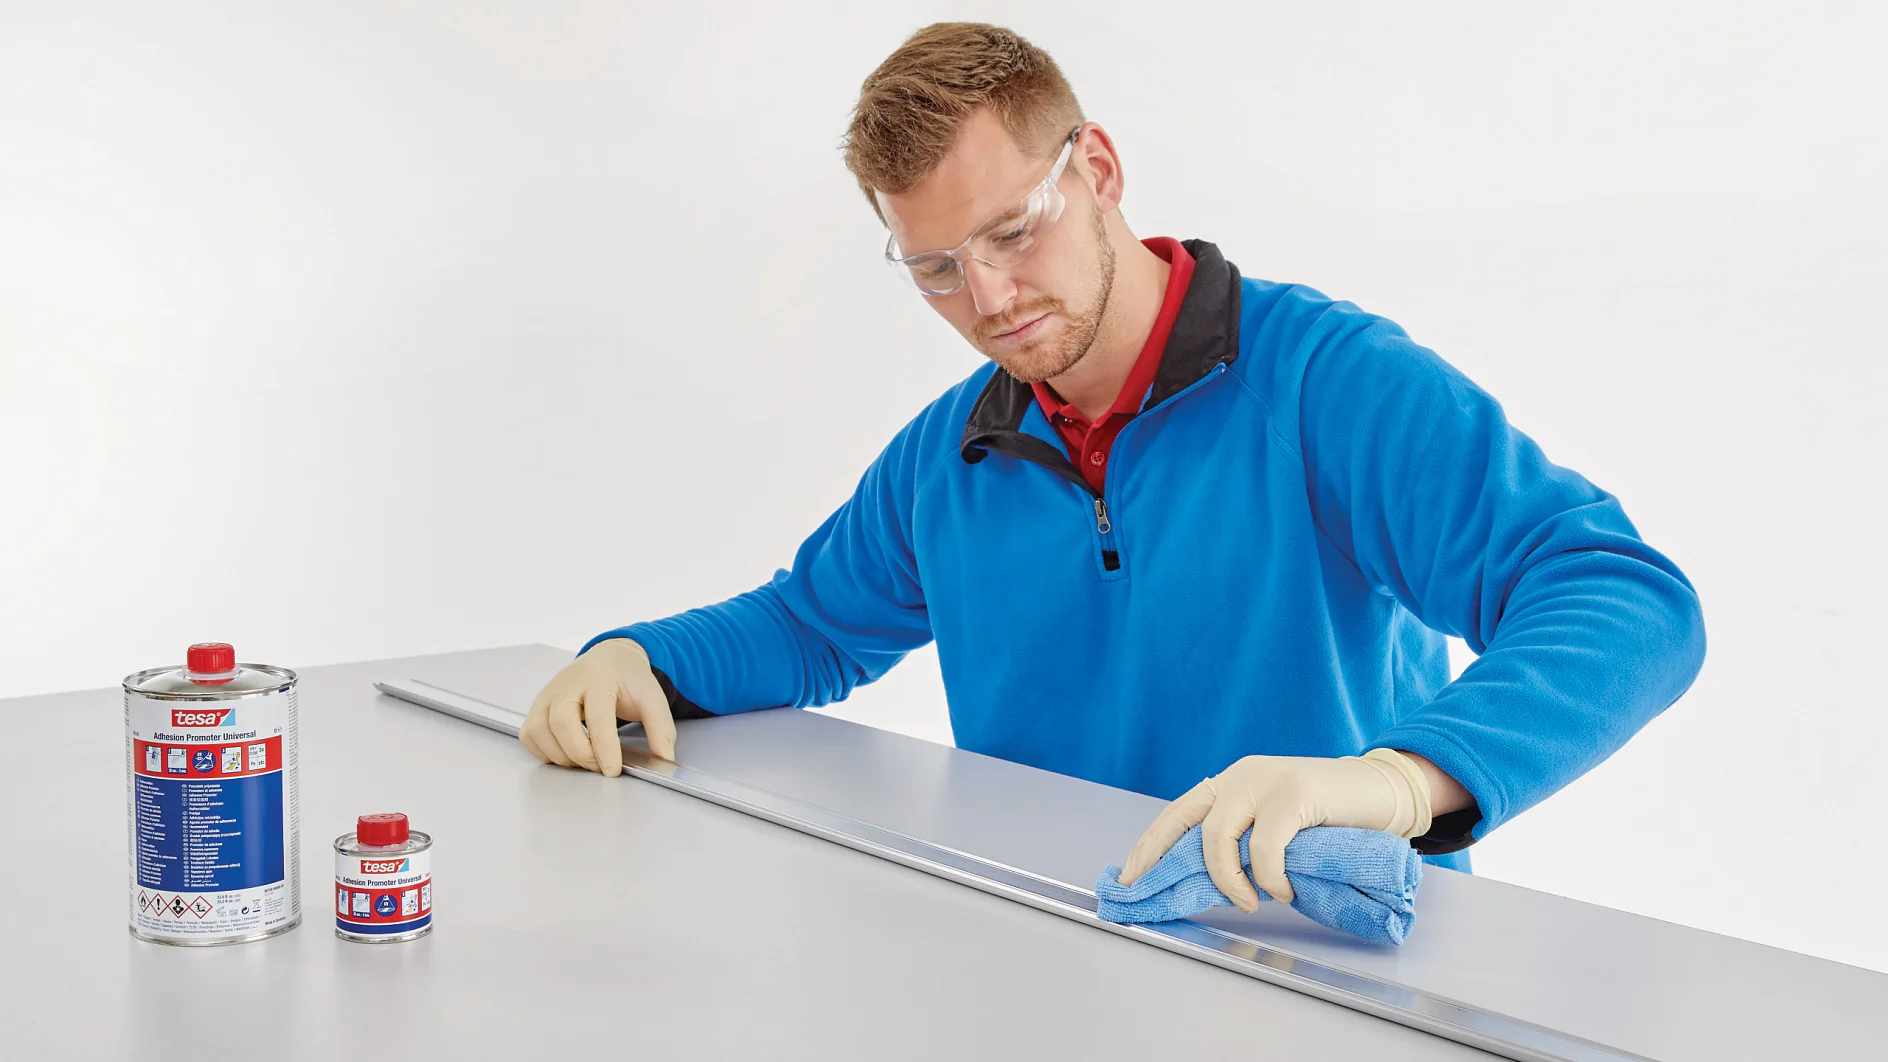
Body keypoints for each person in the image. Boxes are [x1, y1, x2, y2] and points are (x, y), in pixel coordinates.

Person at [520, 22, 1705, 909]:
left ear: (1097, 169)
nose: (988, 298)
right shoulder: (955, 452)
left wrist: (1396, 783)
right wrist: (639, 657)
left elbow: (1622, 599)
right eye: (935, 268)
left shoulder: (1323, 384)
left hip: (1327, 966)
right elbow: (810, 625)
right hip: (1065, 954)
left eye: (1011, 231)